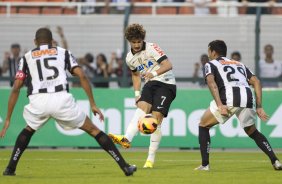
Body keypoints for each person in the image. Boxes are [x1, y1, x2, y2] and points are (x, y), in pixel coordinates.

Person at [0, 27, 136, 176]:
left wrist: (8, 118)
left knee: (28, 130)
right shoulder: (63, 52)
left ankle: (10, 169)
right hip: (61, 100)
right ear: (52, 41)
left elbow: (16, 87)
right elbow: (82, 75)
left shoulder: (26, 57)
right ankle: (125, 167)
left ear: (35, 42)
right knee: (94, 130)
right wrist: (93, 104)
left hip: (38, 101)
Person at [194, 40, 282, 171]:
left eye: (209, 51)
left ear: (213, 52)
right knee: (252, 131)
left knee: (203, 125)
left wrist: (220, 105)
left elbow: (211, 83)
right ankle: (276, 161)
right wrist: (259, 106)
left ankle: (205, 165)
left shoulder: (210, 64)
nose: (209, 54)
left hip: (228, 99)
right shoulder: (239, 64)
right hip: (247, 98)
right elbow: (256, 81)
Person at [108, 23, 177, 168]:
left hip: (166, 83)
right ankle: (127, 138)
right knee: (142, 106)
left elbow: (168, 64)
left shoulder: (152, 47)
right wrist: (137, 94)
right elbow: (135, 74)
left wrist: (153, 73)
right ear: (129, 41)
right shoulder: (129, 58)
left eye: (139, 41)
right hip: (150, 84)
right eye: (134, 42)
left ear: (142, 40)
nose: (137, 44)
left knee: (156, 119)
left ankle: (150, 159)